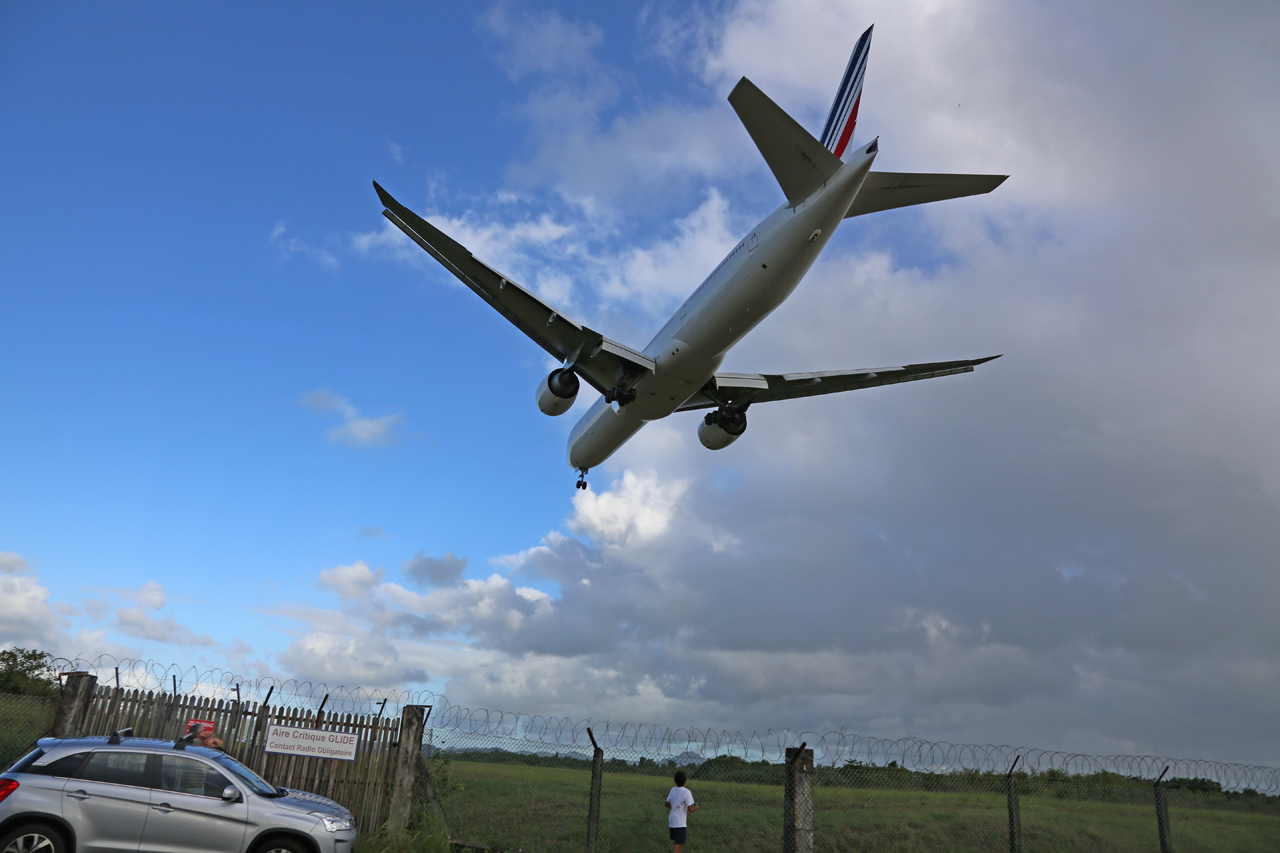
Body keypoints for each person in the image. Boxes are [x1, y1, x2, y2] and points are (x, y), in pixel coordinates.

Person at [664, 770, 699, 853]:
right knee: (679, 843)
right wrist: (696, 807)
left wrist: (675, 806)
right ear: (685, 780)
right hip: (680, 822)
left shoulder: (673, 790)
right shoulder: (687, 792)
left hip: (672, 820)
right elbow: (690, 809)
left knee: (680, 843)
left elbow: (667, 804)